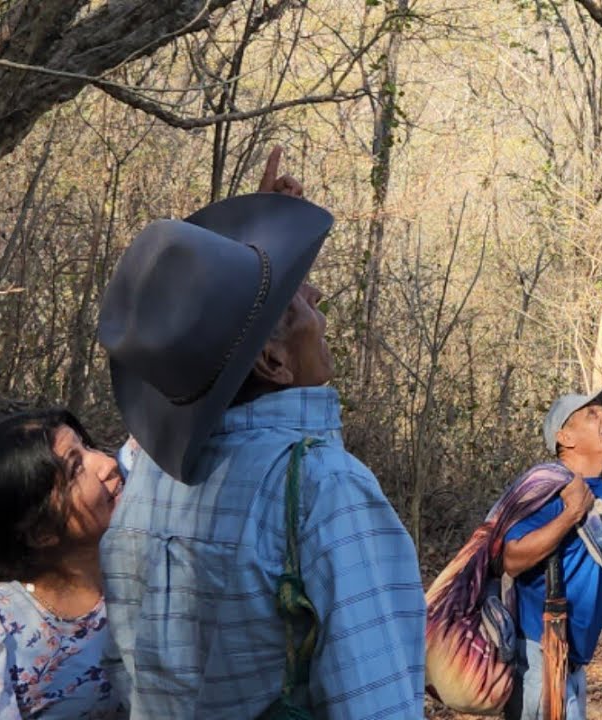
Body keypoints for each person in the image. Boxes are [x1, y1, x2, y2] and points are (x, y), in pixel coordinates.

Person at [96, 148, 426, 719]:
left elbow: (124, 677)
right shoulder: (325, 490)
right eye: (297, 301)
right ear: (272, 362)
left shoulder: (147, 477)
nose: (318, 300)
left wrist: (258, 247)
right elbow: (378, 706)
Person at [0, 409, 127, 720]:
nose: (107, 463)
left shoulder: (137, 568)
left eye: (86, 446)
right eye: (75, 469)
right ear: (39, 532)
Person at [501, 385, 602, 719]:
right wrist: (570, 515)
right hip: (539, 663)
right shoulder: (547, 489)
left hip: (574, 666)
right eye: (592, 414)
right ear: (565, 437)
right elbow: (512, 559)